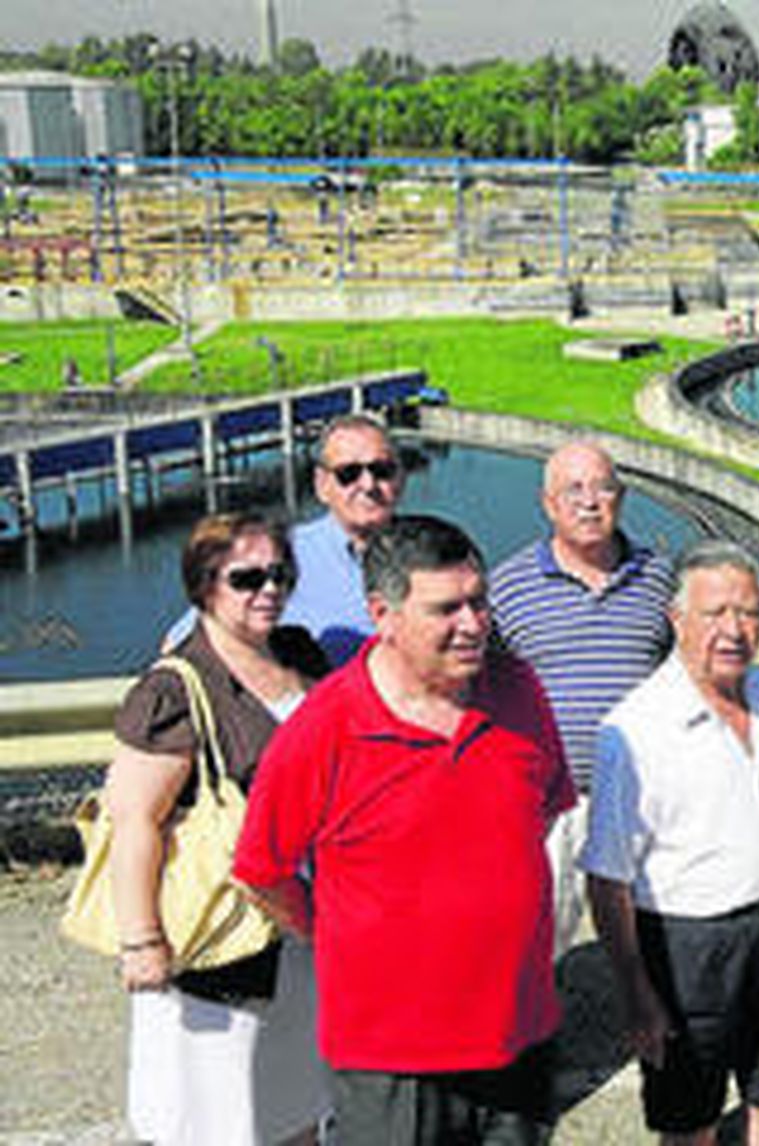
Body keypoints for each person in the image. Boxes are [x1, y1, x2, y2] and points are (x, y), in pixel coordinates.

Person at [233, 515, 575, 1146]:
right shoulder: (326, 727)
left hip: (518, 1034)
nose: (473, 623)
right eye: (446, 609)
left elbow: (545, 811)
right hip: (391, 1059)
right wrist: (331, 932)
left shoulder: (519, 690)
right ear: (382, 615)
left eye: (479, 601)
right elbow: (263, 870)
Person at [582, 540, 759, 1145]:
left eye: (749, 613)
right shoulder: (634, 731)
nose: (734, 631)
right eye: (715, 613)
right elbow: (607, 880)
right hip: (691, 953)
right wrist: (637, 993)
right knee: (691, 1122)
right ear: (677, 619)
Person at [105, 511, 332, 1146]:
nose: (269, 590)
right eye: (247, 578)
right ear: (204, 585)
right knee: (217, 1116)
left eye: (280, 575)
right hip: (220, 937)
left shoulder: (301, 654)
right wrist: (141, 941)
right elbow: (134, 820)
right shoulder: (173, 689)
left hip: (304, 923)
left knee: (297, 1104)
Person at [490, 441, 674, 957]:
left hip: (643, 800)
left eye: (602, 488)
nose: (589, 502)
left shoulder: (660, 579)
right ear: (548, 504)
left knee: (651, 939)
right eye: (573, 490)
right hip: (553, 808)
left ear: (622, 498)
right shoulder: (507, 588)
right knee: (543, 942)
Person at [164, 413, 405, 665]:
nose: (368, 484)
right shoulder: (278, 554)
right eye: (349, 473)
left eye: (382, 471)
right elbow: (180, 642)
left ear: (401, 477)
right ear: (321, 485)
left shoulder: (428, 552)